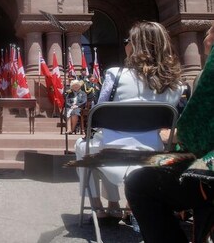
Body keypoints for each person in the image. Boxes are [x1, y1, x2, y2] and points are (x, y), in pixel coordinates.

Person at [74, 21, 183, 222]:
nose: (125, 45)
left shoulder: (115, 75)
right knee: (100, 143)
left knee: (84, 146)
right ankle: (126, 208)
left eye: (127, 41)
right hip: (154, 154)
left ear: (136, 46)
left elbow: (98, 113)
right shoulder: (177, 85)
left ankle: (101, 207)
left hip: (111, 152)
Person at [124, 21, 214, 243]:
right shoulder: (177, 83)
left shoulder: (116, 76)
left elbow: (194, 135)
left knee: (139, 182)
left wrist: (175, 136)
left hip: (208, 173)